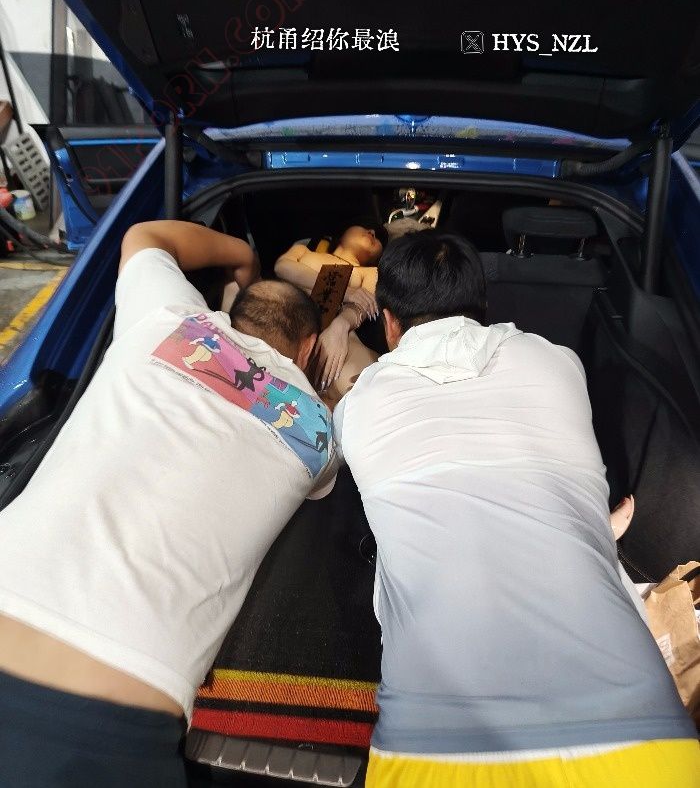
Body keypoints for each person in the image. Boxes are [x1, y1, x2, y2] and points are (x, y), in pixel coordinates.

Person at [333, 231, 700, 788]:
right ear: (482, 305)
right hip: (646, 742)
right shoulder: (557, 362)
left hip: (435, 749)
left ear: (388, 322)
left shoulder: (360, 407)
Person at [0, 220, 338, 788]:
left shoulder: (170, 319)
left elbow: (143, 236)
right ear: (308, 349)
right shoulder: (318, 432)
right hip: (111, 724)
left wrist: (243, 258)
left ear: (231, 314)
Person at [275, 225, 385, 401]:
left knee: (371, 391)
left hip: (336, 338)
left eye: (379, 238)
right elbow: (282, 267)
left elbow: (366, 305)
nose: (372, 232)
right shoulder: (303, 251)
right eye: (365, 226)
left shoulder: (370, 272)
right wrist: (344, 290)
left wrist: (340, 326)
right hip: (285, 322)